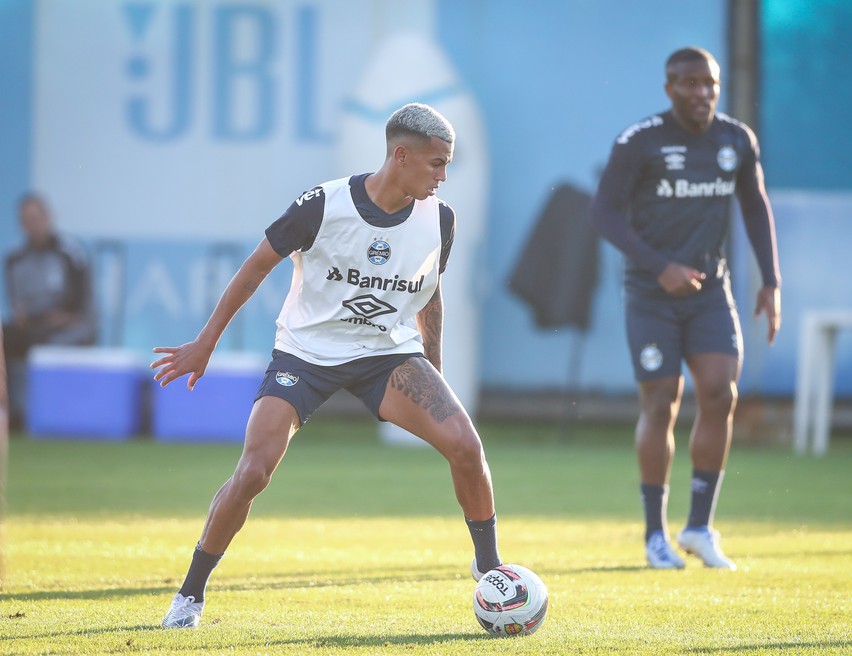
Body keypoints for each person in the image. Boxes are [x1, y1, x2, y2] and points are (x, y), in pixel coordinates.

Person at [154, 103, 502, 629]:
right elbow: (254, 270)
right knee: (252, 473)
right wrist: (206, 343)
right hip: (305, 355)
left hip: (385, 355)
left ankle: (490, 566)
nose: (443, 176)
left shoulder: (440, 219)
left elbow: (431, 296)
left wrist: (434, 371)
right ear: (400, 155)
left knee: (466, 446)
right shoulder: (323, 204)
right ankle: (190, 595)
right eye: (436, 163)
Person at [591, 47, 781, 570]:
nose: (702, 93)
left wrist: (772, 280)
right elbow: (603, 213)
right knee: (661, 405)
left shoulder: (735, 139)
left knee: (721, 392)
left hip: (710, 291)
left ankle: (699, 527)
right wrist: (659, 266)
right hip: (652, 295)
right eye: (690, 84)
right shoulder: (640, 142)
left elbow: (755, 204)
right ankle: (655, 534)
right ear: (669, 87)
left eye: (710, 84)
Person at [3, 194, 97, 430]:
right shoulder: (15, 259)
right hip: (34, 328)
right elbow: (18, 309)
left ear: (48, 217)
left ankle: (57, 416)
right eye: (27, 220)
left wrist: (61, 319)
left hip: (70, 327)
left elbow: (82, 308)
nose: (33, 225)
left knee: (53, 342)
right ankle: (11, 414)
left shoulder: (71, 254)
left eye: (37, 218)